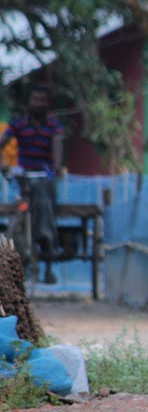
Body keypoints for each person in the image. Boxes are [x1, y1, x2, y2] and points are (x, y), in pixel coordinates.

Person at [0, 86, 64, 284]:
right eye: (36, 99)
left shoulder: (54, 125)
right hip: (24, 177)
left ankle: (45, 240)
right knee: (32, 190)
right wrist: (3, 166)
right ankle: (42, 240)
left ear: (47, 103)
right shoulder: (18, 124)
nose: (39, 103)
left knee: (42, 188)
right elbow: (2, 143)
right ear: (29, 102)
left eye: (42, 100)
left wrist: (55, 167)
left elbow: (58, 150)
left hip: (45, 177)